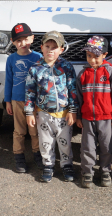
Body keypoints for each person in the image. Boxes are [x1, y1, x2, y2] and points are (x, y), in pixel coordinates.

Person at [25, 31, 78, 183]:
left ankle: (67, 165)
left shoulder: (66, 67)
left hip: (63, 114)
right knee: (45, 142)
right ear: (41, 47)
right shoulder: (35, 69)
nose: (50, 50)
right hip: (44, 114)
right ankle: (48, 165)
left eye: (54, 47)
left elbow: (72, 89)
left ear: (61, 49)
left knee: (65, 142)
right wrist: (29, 112)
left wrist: (73, 110)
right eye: (47, 46)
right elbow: (30, 92)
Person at [76, 36, 112, 188]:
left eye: (96, 56)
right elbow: (77, 97)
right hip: (87, 118)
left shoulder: (110, 72)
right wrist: (78, 115)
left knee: (106, 146)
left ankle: (105, 171)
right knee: (87, 147)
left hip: (106, 118)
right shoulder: (83, 74)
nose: (92, 60)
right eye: (89, 56)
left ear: (104, 55)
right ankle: (87, 172)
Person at [4, 23, 43, 173]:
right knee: (19, 130)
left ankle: (38, 154)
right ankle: (19, 156)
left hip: (34, 101)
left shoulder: (38, 57)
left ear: (32, 39)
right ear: (13, 42)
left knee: (35, 130)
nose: (22, 43)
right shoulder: (11, 59)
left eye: (26, 39)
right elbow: (8, 80)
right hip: (17, 100)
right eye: (18, 40)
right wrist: (8, 100)